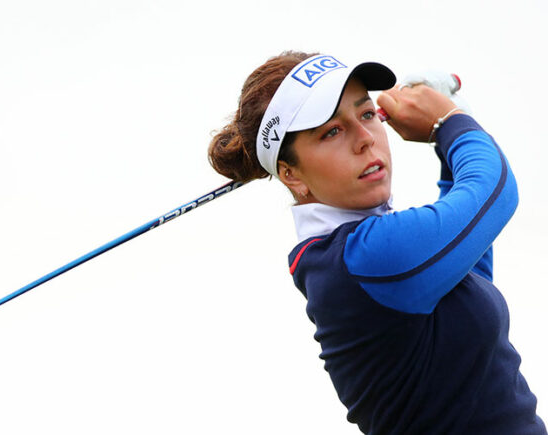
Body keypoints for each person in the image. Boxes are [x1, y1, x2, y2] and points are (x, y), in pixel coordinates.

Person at [208, 51, 546, 434]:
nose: (365, 139)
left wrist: (451, 136)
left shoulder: (354, 255)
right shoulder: (365, 258)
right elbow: (495, 191)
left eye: (367, 114)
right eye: (332, 131)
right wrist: (450, 122)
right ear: (291, 175)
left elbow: (472, 256)